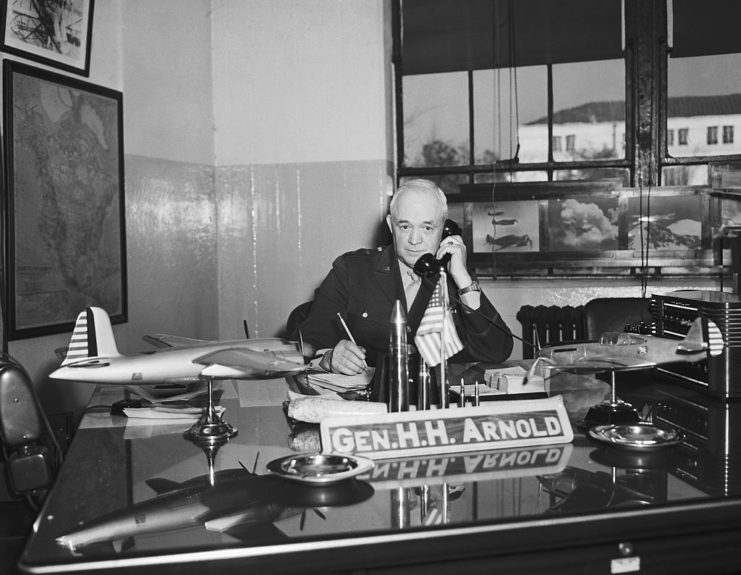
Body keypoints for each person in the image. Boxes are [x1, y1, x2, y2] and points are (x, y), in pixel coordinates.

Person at [294, 178, 513, 374]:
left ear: (445, 230)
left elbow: (496, 351)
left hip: (437, 403)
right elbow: (305, 345)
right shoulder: (352, 271)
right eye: (405, 226)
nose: (414, 240)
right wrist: (328, 357)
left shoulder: (453, 276)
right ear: (391, 226)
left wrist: (464, 280)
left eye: (427, 228)